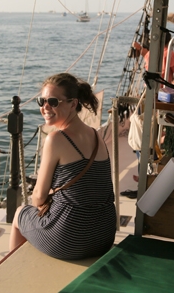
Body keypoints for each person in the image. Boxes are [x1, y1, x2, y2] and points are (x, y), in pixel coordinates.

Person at [10, 73, 116, 259]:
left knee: (20, 213)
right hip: (103, 236)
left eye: (53, 101)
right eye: (41, 101)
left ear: (73, 104)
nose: (45, 107)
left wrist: (41, 206)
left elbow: (39, 197)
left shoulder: (56, 139)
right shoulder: (96, 135)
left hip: (70, 239)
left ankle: (11, 276)